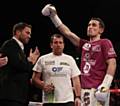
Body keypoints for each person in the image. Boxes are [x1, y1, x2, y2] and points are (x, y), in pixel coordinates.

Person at [41, 4, 117, 106]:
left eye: (94, 25)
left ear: (101, 30)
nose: (90, 27)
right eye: (89, 25)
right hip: (84, 91)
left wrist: (105, 85)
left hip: (98, 90)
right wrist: (53, 16)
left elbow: (112, 63)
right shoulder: (84, 45)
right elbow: (67, 33)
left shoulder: (105, 42)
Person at [32, 34, 81, 106]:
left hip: (67, 100)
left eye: (60, 42)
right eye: (56, 42)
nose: (58, 45)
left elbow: (76, 79)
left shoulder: (69, 59)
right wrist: (43, 86)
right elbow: (34, 79)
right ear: (51, 45)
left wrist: (78, 96)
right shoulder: (43, 59)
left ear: (63, 45)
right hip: (49, 99)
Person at [0, 22, 40, 106]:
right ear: (18, 32)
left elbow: (23, 69)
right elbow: (20, 66)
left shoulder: (19, 48)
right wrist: (31, 61)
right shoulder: (10, 44)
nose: (29, 36)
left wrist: (29, 61)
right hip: (10, 96)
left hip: (18, 96)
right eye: (27, 32)